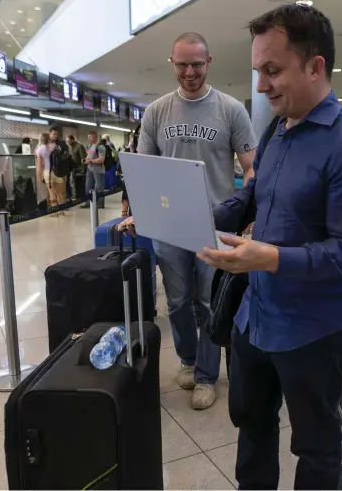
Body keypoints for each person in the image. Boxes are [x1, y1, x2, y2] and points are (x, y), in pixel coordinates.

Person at [197, 4, 342, 489]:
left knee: (315, 444)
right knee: (252, 424)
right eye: (258, 71)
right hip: (256, 316)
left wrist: (267, 257)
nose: (261, 86)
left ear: (316, 66)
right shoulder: (276, 132)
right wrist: (190, 214)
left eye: (272, 70)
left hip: (315, 330)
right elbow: (252, 195)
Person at [119, 32, 257, 410]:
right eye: (182, 64)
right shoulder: (157, 112)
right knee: (178, 302)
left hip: (216, 226)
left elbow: (252, 168)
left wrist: (248, 213)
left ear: (208, 63)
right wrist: (137, 212)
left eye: (197, 64)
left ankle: (207, 376)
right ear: (173, 64)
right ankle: (188, 359)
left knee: (209, 301)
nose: (189, 71)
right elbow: (143, 170)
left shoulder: (230, 110)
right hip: (169, 226)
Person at [35, 132, 65, 217]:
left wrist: (39, 176)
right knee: (59, 193)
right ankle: (62, 210)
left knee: (52, 193)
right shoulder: (55, 146)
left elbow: (39, 166)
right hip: (58, 172)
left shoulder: (40, 149)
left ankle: (55, 212)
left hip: (48, 172)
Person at [116, 125, 140, 216]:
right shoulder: (129, 153)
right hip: (135, 205)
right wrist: (124, 211)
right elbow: (127, 187)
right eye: (138, 135)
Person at [81, 130, 107, 209]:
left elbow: (102, 159)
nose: (88, 138)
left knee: (99, 187)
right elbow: (89, 156)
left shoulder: (101, 147)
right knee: (88, 186)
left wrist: (91, 161)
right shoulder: (91, 146)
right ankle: (88, 202)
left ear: (94, 137)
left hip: (98, 170)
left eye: (90, 137)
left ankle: (100, 203)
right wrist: (86, 160)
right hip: (90, 169)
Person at [67, 135, 87, 200]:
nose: (68, 142)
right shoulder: (70, 147)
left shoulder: (79, 146)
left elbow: (83, 158)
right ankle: (75, 196)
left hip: (80, 168)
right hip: (74, 168)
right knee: (73, 183)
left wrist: (83, 169)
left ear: (73, 140)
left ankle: (81, 197)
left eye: (69, 141)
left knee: (80, 184)